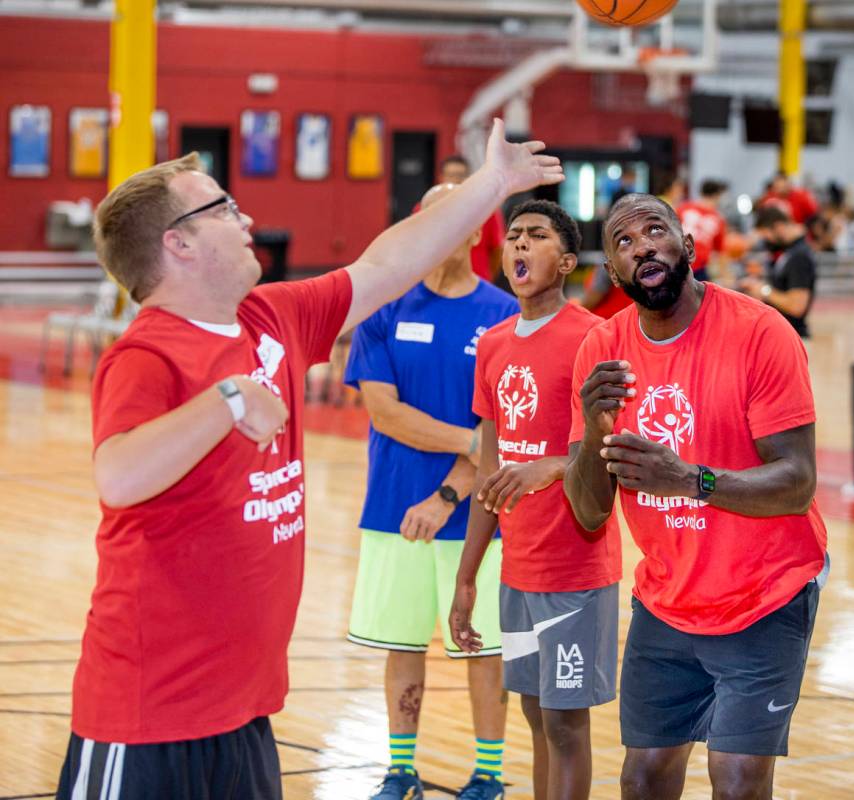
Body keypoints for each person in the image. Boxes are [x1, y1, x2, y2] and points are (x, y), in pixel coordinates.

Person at [55, 119, 563, 799]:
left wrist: (493, 182)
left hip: (245, 711)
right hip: (149, 716)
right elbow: (117, 475)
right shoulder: (147, 354)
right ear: (177, 243)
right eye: (222, 208)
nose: (246, 217)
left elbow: (389, 263)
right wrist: (229, 398)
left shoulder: (272, 317)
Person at [564, 193, 827, 800]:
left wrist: (689, 480)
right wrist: (590, 427)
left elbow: (797, 484)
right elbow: (589, 510)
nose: (642, 247)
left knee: (735, 780)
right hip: (667, 601)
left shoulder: (760, 332)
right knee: (646, 775)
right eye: (623, 243)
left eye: (654, 231)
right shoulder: (601, 350)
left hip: (765, 594)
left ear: (686, 245)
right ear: (611, 270)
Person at [344, 181, 519, 800]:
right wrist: (469, 444)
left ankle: (489, 776)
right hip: (392, 510)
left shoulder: (503, 315)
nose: (443, 227)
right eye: (431, 215)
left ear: (475, 231)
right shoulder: (385, 309)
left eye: (457, 217)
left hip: (478, 515)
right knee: (401, 644)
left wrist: (447, 494)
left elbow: (498, 430)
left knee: (480, 648)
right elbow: (385, 413)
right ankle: (400, 771)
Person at [449, 200, 622, 800]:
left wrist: (551, 467)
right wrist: (467, 578)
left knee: (566, 724)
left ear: (568, 261)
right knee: (533, 714)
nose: (519, 246)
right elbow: (488, 472)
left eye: (537, 237)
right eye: (514, 237)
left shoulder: (592, 339)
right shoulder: (493, 344)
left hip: (575, 569)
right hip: (517, 571)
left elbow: (610, 454)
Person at [741, 204, 817, 339]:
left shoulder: (800, 256)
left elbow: (797, 306)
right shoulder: (789, 251)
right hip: (782, 332)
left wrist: (764, 290)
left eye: (766, 236)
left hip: (792, 335)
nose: (766, 241)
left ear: (779, 227)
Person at [438, 154, 506, 282]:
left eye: (460, 175)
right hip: (439, 285)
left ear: (469, 178)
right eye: (451, 175)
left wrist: (486, 279)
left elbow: (498, 249)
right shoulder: (426, 207)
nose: (455, 180)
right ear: (442, 178)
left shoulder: (487, 209)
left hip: (477, 283)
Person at [677, 179, 729, 283]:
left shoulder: (682, 208)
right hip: (697, 268)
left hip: (676, 262)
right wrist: (726, 276)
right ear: (717, 196)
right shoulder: (718, 219)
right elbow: (721, 252)